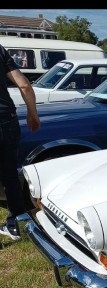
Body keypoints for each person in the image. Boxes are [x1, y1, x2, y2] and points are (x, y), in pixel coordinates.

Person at [0, 43, 40, 241]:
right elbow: (24, 85)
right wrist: (33, 115)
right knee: (10, 176)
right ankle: (16, 224)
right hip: (7, 119)